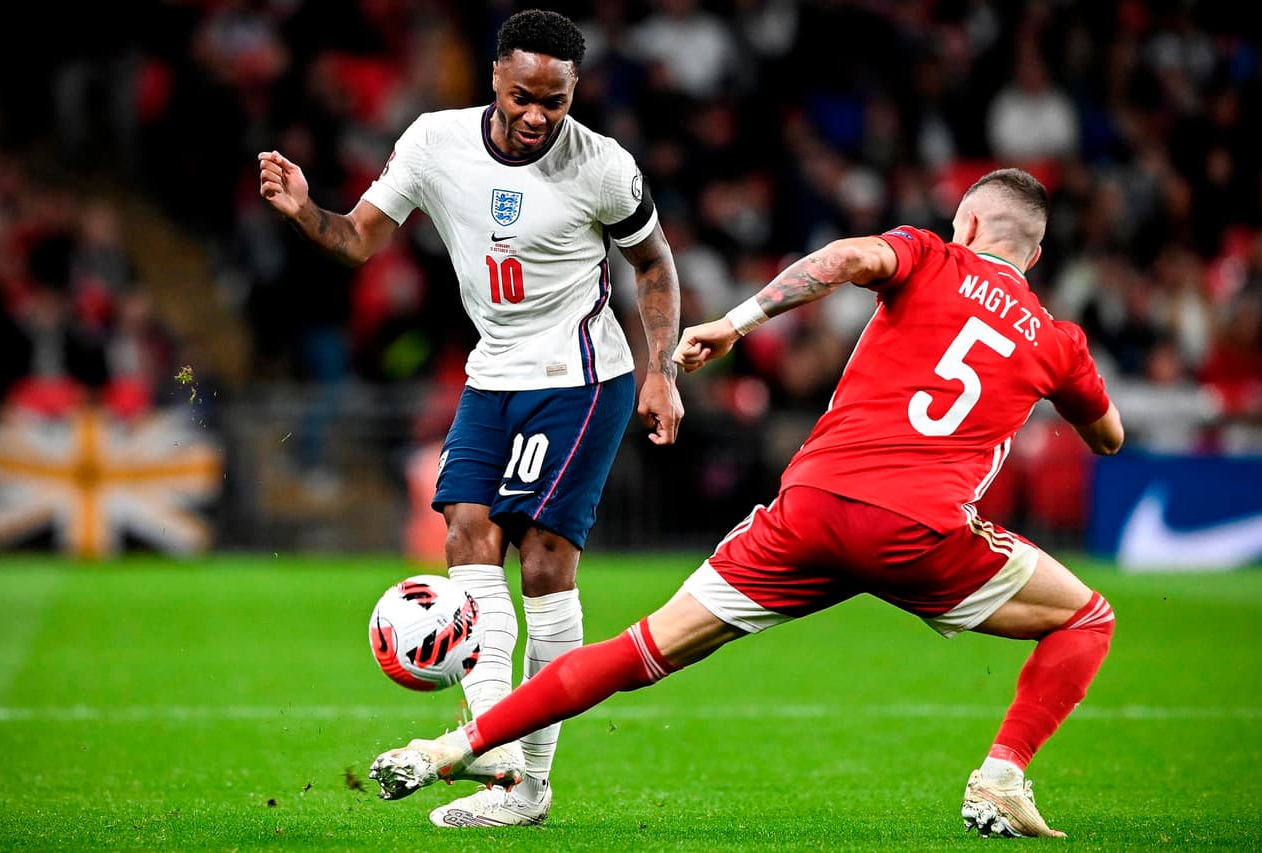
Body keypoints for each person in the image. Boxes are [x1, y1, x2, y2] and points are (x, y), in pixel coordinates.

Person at [367, 168, 1124, 838]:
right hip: (920, 531)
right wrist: (1063, 380)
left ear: (967, 225)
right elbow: (1109, 437)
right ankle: (1000, 776)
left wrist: (736, 322)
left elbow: (846, 258)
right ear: (1035, 255)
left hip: (811, 507)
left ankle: (453, 746)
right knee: (1087, 616)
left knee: (639, 650)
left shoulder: (929, 254)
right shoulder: (1059, 341)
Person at [258, 9, 684, 828]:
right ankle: (496, 754)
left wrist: (662, 370)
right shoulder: (431, 142)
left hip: (584, 374)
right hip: (493, 374)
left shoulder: (604, 167)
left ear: (572, 95)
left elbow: (652, 263)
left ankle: (528, 784)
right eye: (524, 95)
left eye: (554, 102)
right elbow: (356, 240)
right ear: (494, 76)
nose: (536, 115)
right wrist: (305, 209)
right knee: (465, 533)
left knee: (545, 565)